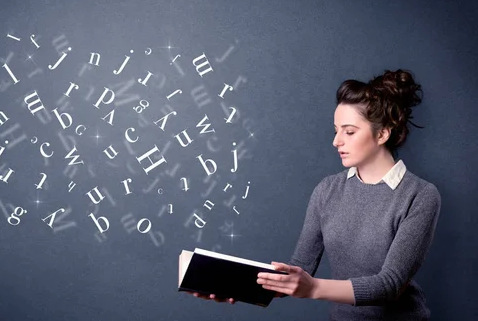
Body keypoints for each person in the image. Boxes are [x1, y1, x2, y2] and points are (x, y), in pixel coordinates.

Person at [187, 69, 442, 320]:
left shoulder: (420, 195)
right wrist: (234, 286)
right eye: (336, 130)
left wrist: (314, 288)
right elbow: (301, 271)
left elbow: (389, 285)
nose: (336, 141)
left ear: (382, 134)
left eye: (349, 131)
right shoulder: (327, 190)